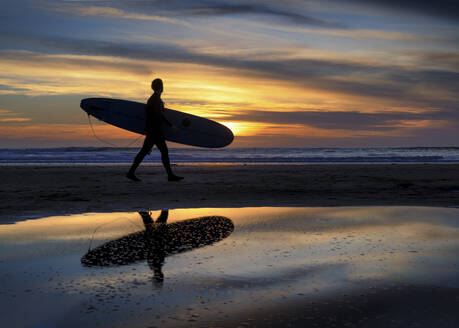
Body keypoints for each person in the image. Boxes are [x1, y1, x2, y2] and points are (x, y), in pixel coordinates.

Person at [127, 78, 183, 182]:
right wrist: (171, 125)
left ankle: (131, 172)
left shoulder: (154, 98)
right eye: (162, 85)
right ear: (161, 87)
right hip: (154, 131)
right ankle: (170, 175)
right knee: (160, 151)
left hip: (153, 130)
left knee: (147, 151)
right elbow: (159, 114)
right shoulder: (155, 99)